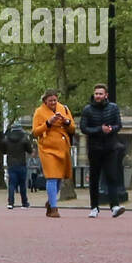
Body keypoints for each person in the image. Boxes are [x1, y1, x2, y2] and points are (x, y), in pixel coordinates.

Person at [78, 84, 126, 218]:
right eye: (96, 94)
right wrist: (100, 129)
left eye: (100, 93)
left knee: (112, 176)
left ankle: (115, 206)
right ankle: (94, 207)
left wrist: (111, 129)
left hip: (110, 148)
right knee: (94, 178)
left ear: (106, 95)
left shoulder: (113, 108)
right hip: (94, 148)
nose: (98, 96)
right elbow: (83, 128)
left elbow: (119, 125)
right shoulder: (87, 109)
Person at [31, 89, 76, 218]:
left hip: (62, 147)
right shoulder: (39, 112)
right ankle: (54, 208)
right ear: (45, 101)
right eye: (50, 101)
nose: (53, 103)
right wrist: (48, 123)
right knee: (52, 176)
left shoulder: (64, 109)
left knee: (59, 178)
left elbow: (72, 127)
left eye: (55, 100)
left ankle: (51, 202)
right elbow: (35, 132)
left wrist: (66, 122)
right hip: (47, 148)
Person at [0, 125, 34, 210]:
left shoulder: (7, 139)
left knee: (12, 184)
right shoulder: (24, 138)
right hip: (22, 164)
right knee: (23, 184)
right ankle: (24, 203)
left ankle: (10, 203)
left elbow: (3, 151)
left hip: (11, 164)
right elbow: (29, 150)